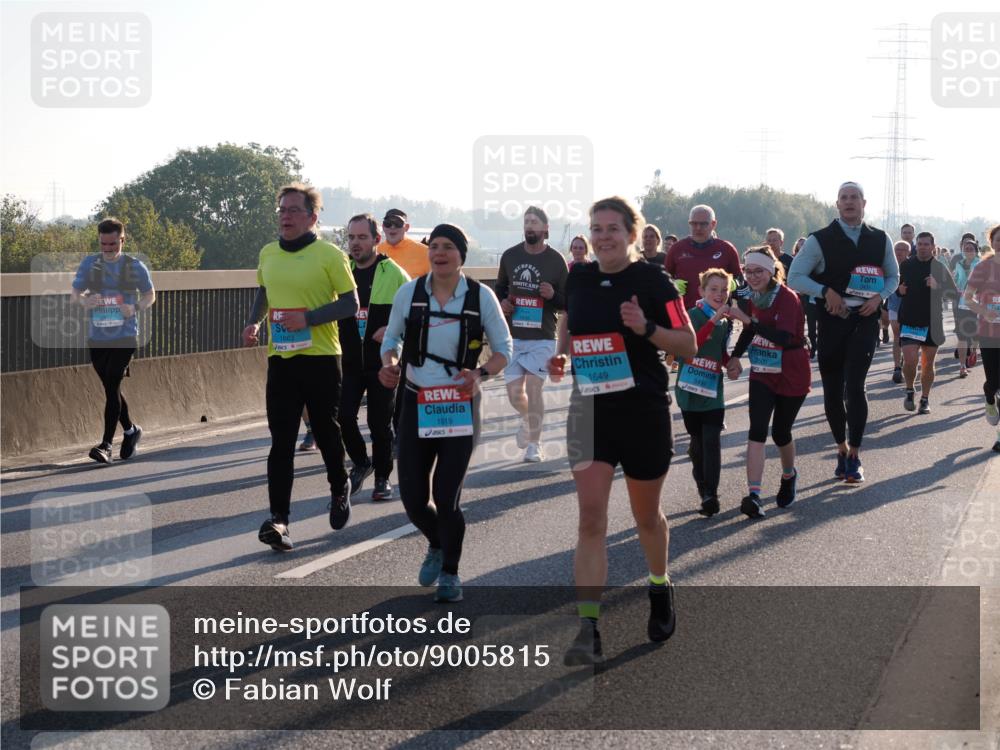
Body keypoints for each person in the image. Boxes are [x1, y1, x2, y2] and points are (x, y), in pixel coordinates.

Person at [550, 196, 697, 665]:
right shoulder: (580, 277)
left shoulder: (653, 280)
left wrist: (646, 326)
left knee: (646, 518)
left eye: (613, 228)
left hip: (642, 411)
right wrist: (562, 353)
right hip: (589, 410)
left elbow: (689, 345)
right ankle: (587, 627)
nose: (603, 236)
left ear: (632, 234)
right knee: (591, 519)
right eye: (597, 228)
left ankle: (659, 585)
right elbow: (570, 321)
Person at [378, 224, 513, 602]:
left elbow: (505, 349)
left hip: (459, 405)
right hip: (416, 402)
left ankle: (451, 573)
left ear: (461, 255)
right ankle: (437, 542)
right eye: (434, 246)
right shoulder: (410, 293)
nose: (439, 253)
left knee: (447, 495)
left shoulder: (480, 297)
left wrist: (481, 373)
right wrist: (388, 363)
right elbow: (391, 340)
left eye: (448, 247)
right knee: (413, 498)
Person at [242, 183, 358, 552]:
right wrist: (254, 322)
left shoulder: (329, 254)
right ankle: (279, 520)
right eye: (281, 210)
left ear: (312, 217)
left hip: (322, 357)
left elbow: (350, 304)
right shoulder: (268, 253)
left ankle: (340, 486)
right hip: (282, 359)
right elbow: (264, 291)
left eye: (293, 210)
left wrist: (307, 318)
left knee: (326, 431)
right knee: (281, 441)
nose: (285, 216)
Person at [787, 181, 899, 483]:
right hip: (832, 321)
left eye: (855, 198)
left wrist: (879, 298)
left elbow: (893, 275)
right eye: (844, 198)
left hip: (864, 320)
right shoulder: (819, 239)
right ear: (837, 204)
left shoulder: (880, 238)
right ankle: (840, 447)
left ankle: (855, 455)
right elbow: (794, 276)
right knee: (834, 390)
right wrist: (825, 292)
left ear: (864, 203)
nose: (849, 203)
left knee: (856, 387)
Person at [726, 247, 811, 517]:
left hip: (791, 368)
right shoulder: (752, 296)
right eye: (748, 271)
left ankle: (788, 475)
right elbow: (750, 330)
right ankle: (754, 495)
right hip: (763, 369)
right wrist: (735, 357)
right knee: (757, 429)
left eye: (758, 271)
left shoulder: (787, 298)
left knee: (781, 432)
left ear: (771, 271)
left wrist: (748, 320)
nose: (752, 276)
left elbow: (784, 338)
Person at [70, 218, 155, 464]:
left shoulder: (134, 266)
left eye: (112, 244)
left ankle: (106, 444)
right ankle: (131, 431)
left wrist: (135, 307)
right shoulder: (90, 264)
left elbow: (151, 295)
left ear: (122, 240)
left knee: (113, 381)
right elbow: (75, 294)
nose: (108, 249)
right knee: (111, 388)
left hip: (125, 335)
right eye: (103, 244)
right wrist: (84, 301)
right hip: (98, 336)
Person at [338, 214, 410, 500]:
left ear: (376, 240)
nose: (355, 244)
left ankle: (382, 478)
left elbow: (412, 316)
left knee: (380, 424)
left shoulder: (393, 273)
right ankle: (361, 462)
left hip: (383, 362)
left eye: (362, 237)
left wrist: (392, 330)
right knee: (343, 417)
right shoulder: (342, 270)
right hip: (350, 362)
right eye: (352, 237)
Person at [495, 206, 569, 463]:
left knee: (535, 389)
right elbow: (499, 288)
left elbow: (567, 302)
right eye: (526, 221)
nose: (529, 225)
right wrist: (503, 302)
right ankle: (528, 420)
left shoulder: (556, 260)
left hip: (543, 337)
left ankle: (534, 445)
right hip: (513, 337)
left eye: (535, 222)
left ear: (545, 229)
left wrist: (553, 296)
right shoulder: (510, 256)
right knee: (516, 395)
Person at [676, 268, 746, 517]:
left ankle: (711, 495)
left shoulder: (725, 321)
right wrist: (715, 319)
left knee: (712, 442)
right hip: (689, 390)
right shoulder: (692, 315)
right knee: (697, 445)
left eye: (724, 290)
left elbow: (718, 350)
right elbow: (693, 346)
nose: (719, 294)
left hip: (712, 391)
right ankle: (702, 486)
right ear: (702, 291)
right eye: (713, 289)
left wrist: (730, 364)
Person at [896, 232, 959, 414]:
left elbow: (953, 295)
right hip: (909, 319)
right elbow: (895, 288)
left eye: (926, 244)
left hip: (933, 322)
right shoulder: (906, 265)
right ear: (916, 245)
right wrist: (899, 291)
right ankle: (909, 390)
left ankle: (925, 399)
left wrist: (938, 286)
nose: (923, 247)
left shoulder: (939, 267)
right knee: (910, 360)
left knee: (927, 364)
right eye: (920, 243)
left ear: (933, 246)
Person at [962, 224, 1000, 453]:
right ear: (991, 242)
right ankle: (988, 397)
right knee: (994, 383)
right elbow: (967, 298)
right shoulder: (983, 267)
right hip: (989, 333)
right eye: (998, 240)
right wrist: (984, 311)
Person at [665, 205, 743, 310]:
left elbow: (741, 281)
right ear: (689, 223)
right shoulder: (677, 249)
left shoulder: (727, 249)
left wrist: (733, 284)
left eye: (703, 224)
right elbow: (662, 281)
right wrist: (672, 285)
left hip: (718, 317)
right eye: (694, 223)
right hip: (685, 316)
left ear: (713, 224)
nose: (698, 228)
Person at [953, 238, 982, 378]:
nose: (968, 249)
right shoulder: (958, 264)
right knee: (962, 334)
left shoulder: (982, 264)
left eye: (971, 247)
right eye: (966, 247)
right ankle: (962, 366)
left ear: (976, 250)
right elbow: (957, 280)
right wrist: (956, 287)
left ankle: (973, 350)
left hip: (979, 302)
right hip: (963, 303)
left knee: (976, 333)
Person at [377, 208, 430, 279]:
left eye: (398, 223)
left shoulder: (425, 253)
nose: (392, 227)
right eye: (388, 223)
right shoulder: (375, 252)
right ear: (383, 227)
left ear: (406, 227)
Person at [886, 241, 912, 383]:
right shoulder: (888, 265)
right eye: (897, 249)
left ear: (908, 252)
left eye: (903, 249)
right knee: (897, 335)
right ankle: (897, 368)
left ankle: (909, 363)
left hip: (910, 307)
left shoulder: (913, 265)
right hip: (894, 305)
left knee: (908, 337)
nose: (899, 252)